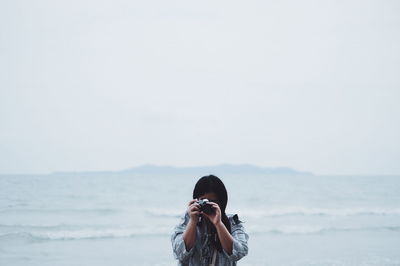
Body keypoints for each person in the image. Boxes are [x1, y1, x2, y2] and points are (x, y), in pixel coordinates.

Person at [171, 175, 249, 266]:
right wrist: (192, 222)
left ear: (221, 203)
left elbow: (239, 252)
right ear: (195, 201)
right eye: (203, 201)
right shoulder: (188, 220)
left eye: (212, 202)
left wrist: (219, 224)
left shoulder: (232, 222)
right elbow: (179, 253)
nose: (207, 205)